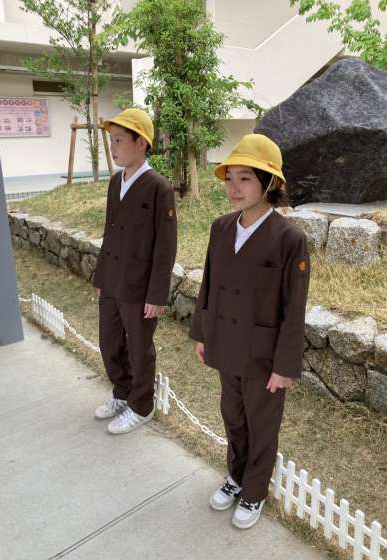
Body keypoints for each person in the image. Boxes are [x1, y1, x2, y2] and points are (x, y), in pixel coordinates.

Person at [189, 133, 310, 529]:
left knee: (262, 424)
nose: (234, 188)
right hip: (226, 343)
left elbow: (294, 308)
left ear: (269, 183)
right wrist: (202, 333)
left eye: (245, 178)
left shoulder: (289, 239)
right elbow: (209, 284)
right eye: (229, 178)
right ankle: (236, 476)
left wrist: (285, 366)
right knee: (233, 416)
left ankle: (255, 490)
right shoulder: (220, 228)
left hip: (263, 354)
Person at [93, 108, 177, 435]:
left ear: (141, 143)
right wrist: (101, 277)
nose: (112, 147)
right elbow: (109, 231)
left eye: (119, 140)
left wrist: (157, 295)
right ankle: (122, 393)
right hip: (112, 280)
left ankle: (142, 406)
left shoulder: (158, 187)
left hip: (140, 287)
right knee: (109, 342)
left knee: (139, 349)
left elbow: (165, 246)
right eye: (111, 140)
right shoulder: (116, 182)